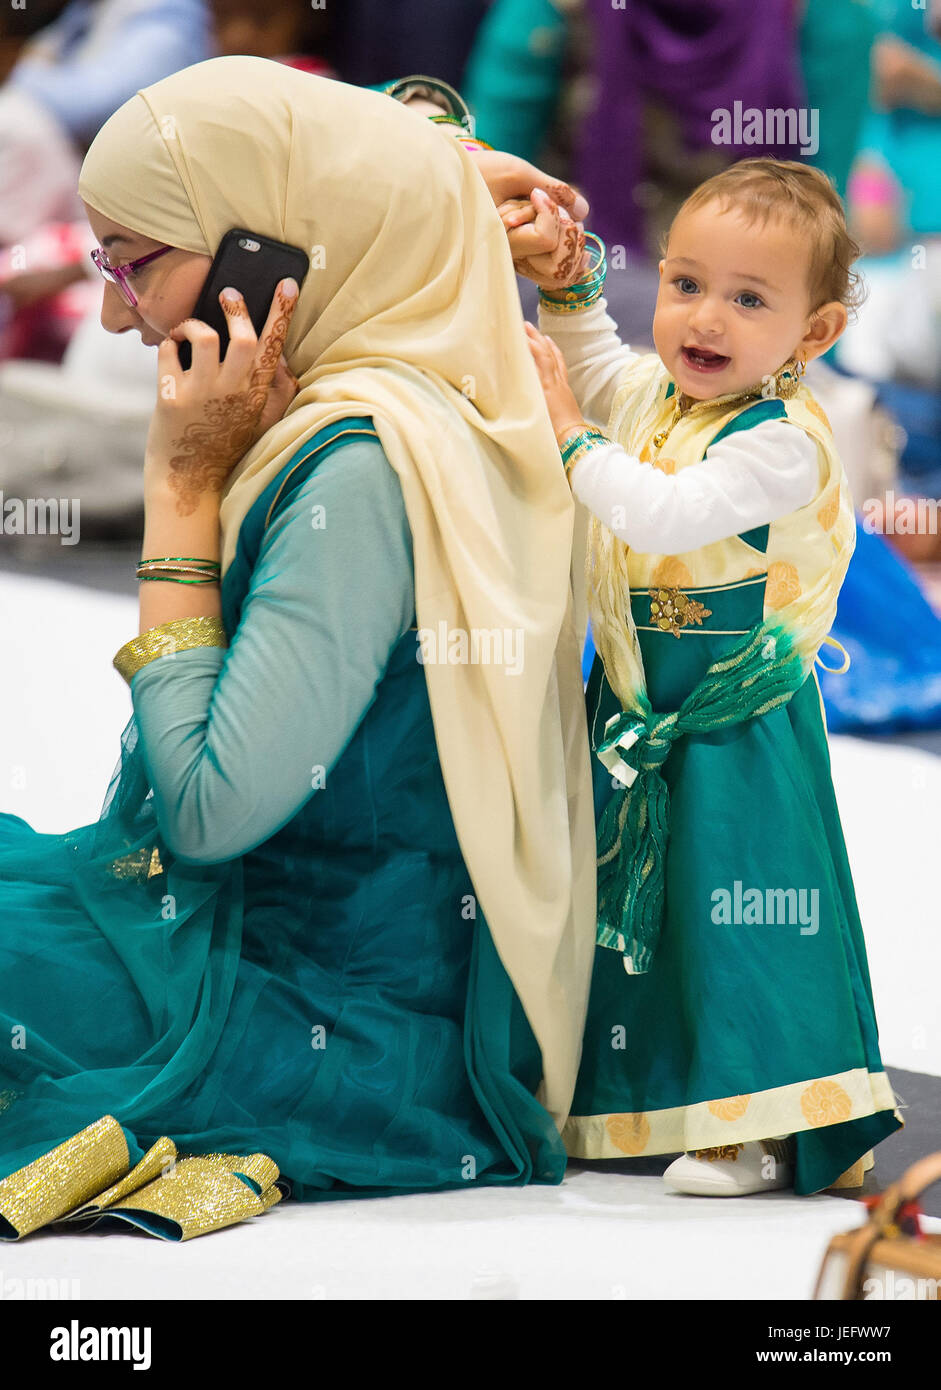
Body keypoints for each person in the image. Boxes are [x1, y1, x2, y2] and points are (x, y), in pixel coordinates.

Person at [0, 55, 598, 1240]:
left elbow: (211, 813)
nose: (117, 308)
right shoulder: (430, 374)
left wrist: (181, 486)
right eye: (103, 259)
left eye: (137, 260)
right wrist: (440, 170)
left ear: (266, 248)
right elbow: (361, 160)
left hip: (332, 1008)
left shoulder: (362, 462)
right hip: (288, 950)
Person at [521, 158, 904, 1197]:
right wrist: (566, 288)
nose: (703, 317)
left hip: (734, 722)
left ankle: (754, 1125)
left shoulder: (781, 442)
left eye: (747, 299)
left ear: (812, 334)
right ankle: (646, 1091)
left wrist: (564, 436)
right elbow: (594, 364)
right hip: (644, 708)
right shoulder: (663, 396)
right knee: (643, 916)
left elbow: (656, 512)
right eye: (686, 284)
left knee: (739, 917)